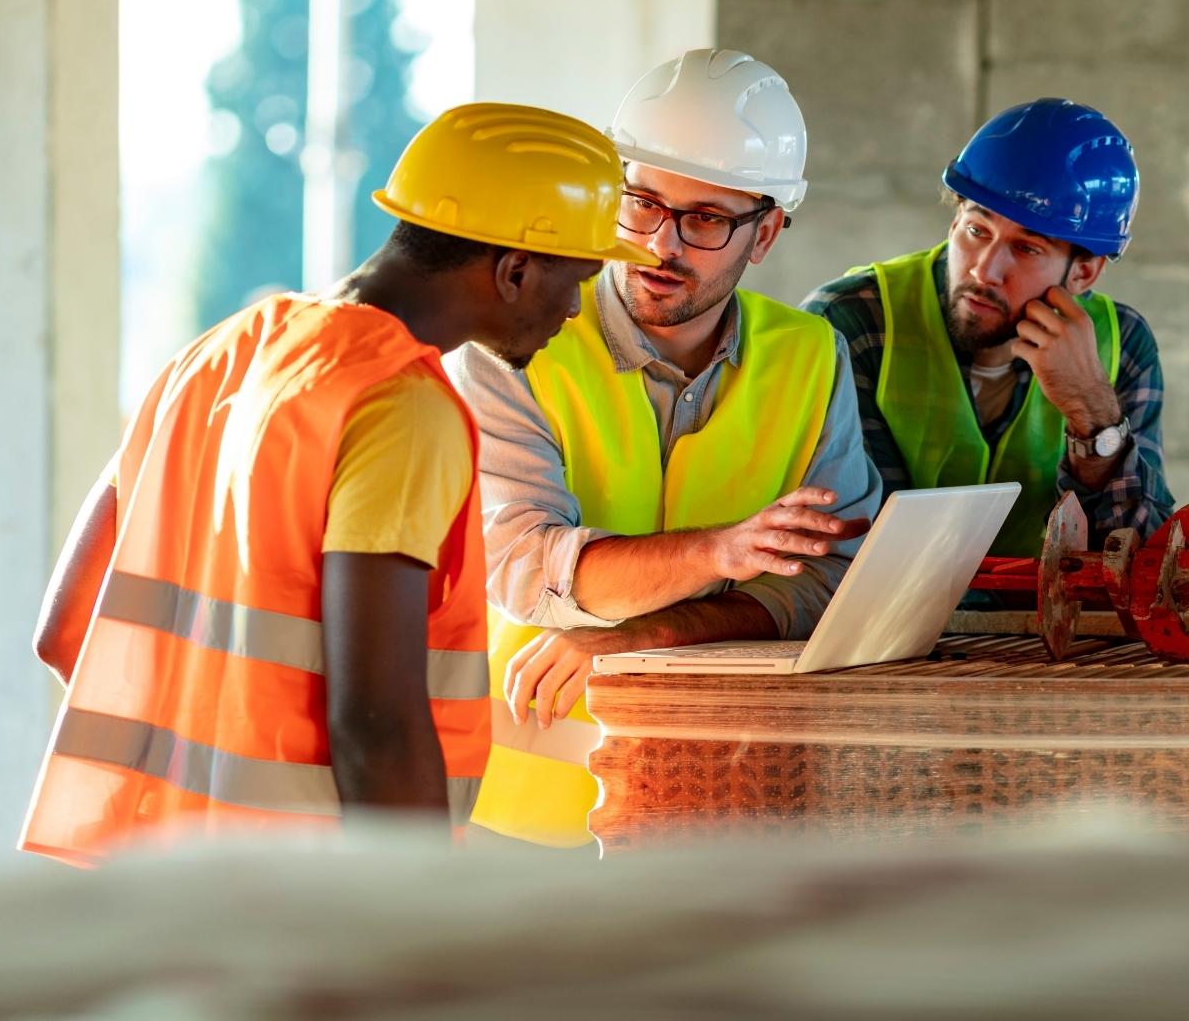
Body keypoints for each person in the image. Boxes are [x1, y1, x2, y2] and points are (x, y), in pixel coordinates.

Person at [20, 103, 655, 868]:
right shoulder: (400, 405)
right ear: (516, 269)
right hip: (300, 900)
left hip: (158, 877)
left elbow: (65, 632)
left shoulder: (215, 358)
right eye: (578, 278)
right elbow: (378, 725)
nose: (575, 308)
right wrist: (404, 923)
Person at [448, 49, 879, 848]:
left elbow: (831, 586)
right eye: (640, 202)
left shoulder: (810, 356)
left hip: (726, 804)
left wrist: (648, 635)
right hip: (520, 808)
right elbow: (522, 570)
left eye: (706, 219)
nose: (659, 243)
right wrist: (722, 554)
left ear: (769, 231)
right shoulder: (512, 345)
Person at [802, 97, 1174, 558]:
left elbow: (1144, 563)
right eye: (977, 231)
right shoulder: (851, 322)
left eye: (1026, 249)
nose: (984, 271)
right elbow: (854, 539)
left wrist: (1093, 413)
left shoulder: (1123, 345)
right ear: (956, 217)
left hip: (1054, 629)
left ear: (1083, 274)